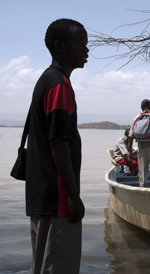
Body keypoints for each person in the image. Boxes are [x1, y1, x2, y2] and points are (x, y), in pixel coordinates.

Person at [25, 18, 88, 274]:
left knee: (43, 265)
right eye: (80, 43)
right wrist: (74, 197)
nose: (86, 49)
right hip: (59, 200)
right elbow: (58, 144)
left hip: (43, 197)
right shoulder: (59, 85)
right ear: (60, 46)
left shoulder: (46, 80)